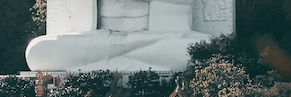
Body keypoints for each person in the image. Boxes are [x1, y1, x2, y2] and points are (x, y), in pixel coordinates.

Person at [25, 0, 210, 72]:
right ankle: (130, 50)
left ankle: (123, 50)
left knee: (203, 46)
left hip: (158, 35)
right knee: (37, 50)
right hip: (97, 38)